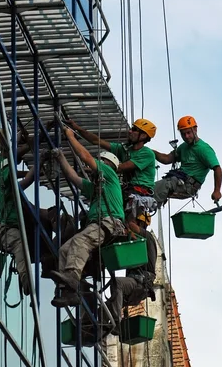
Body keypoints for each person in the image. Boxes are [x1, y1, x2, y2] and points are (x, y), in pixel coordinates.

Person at [49, 128, 125, 307]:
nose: (96, 165)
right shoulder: (96, 188)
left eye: (101, 162)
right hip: (100, 224)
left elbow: (86, 157)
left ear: (107, 164)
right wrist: (60, 157)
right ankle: (68, 291)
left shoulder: (110, 175)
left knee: (80, 242)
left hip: (108, 222)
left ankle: (72, 278)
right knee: (64, 250)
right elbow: (74, 178)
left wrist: (70, 137)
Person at [65, 118, 158, 220]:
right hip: (127, 190)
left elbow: (120, 168)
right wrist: (77, 128)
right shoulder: (125, 149)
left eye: (134, 129)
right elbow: (96, 140)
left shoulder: (147, 153)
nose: (130, 131)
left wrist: (94, 166)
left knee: (125, 221)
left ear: (143, 135)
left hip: (138, 193)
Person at [0, 139, 35, 295]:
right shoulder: (0, 166)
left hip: (6, 227)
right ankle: (26, 280)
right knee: (18, 243)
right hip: (1, 228)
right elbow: (23, 179)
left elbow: (23, 177)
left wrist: (34, 141)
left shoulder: (5, 168)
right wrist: (37, 166)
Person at [153, 116, 222, 206]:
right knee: (152, 189)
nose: (186, 136)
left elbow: (217, 169)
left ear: (195, 129)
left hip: (188, 186)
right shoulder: (184, 147)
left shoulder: (204, 149)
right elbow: (167, 159)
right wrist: (151, 152)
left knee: (156, 189)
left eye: (188, 133)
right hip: (179, 181)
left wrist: (217, 191)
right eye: (183, 134)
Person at [106, 213, 157, 331]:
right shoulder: (136, 243)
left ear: (141, 223)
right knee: (105, 308)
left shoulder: (147, 236)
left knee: (117, 283)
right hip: (135, 286)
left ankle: (116, 323)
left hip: (141, 282)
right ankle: (94, 328)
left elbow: (131, 226)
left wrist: (126, 219)